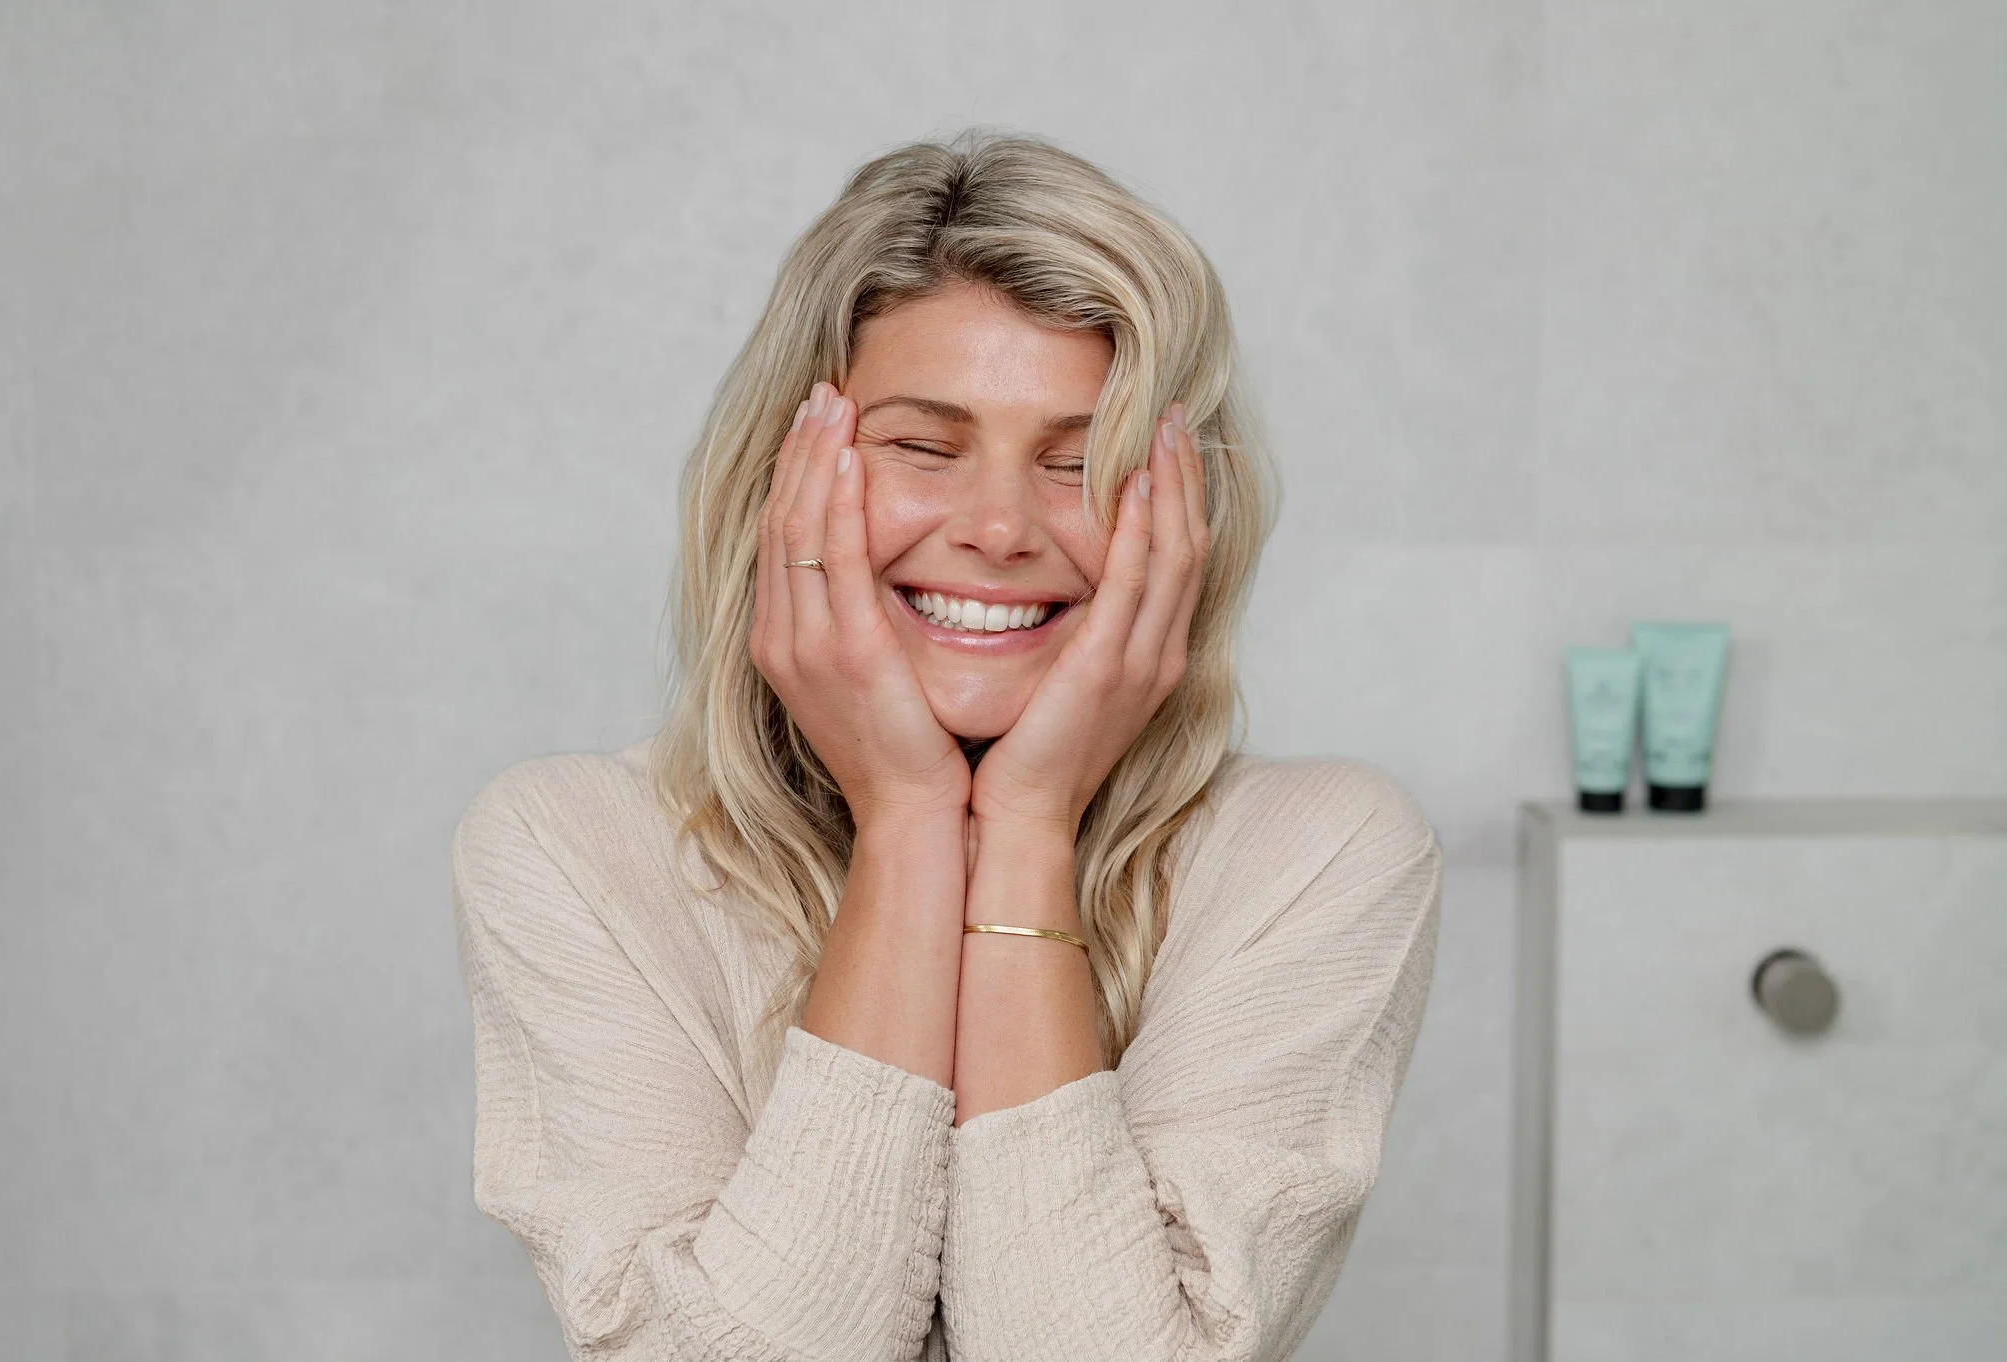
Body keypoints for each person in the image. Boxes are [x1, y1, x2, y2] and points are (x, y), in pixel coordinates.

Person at [448, 129, 1443, 1362]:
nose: (997, 528)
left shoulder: (1314, 854)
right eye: (921, 445)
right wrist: (911, 824)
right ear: (781, 477)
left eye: (1083, 464)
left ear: (1183, 519)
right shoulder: (570, 850)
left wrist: (1021, 828)